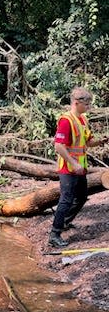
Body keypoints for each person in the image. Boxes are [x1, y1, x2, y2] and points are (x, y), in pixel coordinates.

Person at [49, 87, 108, 248]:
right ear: (76, 103)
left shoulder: (82, 120)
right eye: (87, 104)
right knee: (66, 199)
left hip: (80, 167)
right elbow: (59, 146)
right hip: (68, 168)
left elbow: (88, 142)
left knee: (81, 197)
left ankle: (65, 222)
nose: (89, 107)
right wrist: (74, 164)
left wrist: (101, 141)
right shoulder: (66, 120)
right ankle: (54, 234)